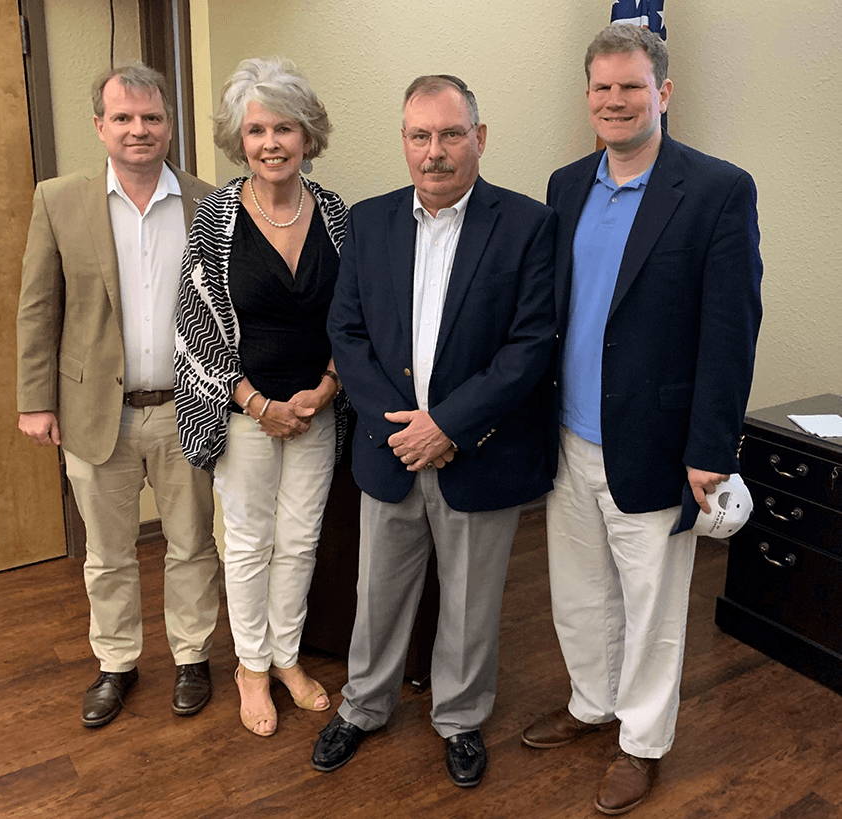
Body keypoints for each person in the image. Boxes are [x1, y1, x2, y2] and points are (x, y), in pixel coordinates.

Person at [521, 24, 763, 815]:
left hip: (658, 443)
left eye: (631, 87)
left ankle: (641, 739)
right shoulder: (565, 185)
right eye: (602, 88)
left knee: (653, 605)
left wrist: (711, 448)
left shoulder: (719, 190)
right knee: (579, 593)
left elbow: (731, 332)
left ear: (663, 92)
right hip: (568, 436)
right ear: (587, 97)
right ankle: (592, 703)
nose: (615, 101)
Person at [312, 74, 558, 788]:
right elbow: (347, 333)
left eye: (452, 134)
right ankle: (363, 705)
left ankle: (459, 716)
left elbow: (529, 344)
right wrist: (405, 429)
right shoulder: (369, 221)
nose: (436, 152)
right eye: (421, 135)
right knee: (378, 593)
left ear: (479, 138)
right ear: (404, 142)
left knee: (472, 601)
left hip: (479, 451)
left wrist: (448, 424)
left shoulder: (527, 225)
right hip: (391, 450)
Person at [16, 63, 220, 727]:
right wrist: (35, 398)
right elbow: (38, 306)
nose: (139, 130)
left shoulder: (207, 201)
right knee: (107, 553)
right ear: (100, 126)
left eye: (152, 118)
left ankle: (192, 655)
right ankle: (117, 662)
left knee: (192, 542)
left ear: (169, 125)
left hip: (184, 410)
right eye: (124, 118)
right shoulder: (58, 199)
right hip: (94, 411)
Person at [174, 58, 348, 739]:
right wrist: (255, 402)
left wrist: (326, 388)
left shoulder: (335, 214)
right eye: (256, 130)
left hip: (318, 410)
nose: (271, 142)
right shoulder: (215, 217)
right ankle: (250, 665)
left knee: (300, 541)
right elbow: (193, 322)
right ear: (238, 140)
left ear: (307, 135)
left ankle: (285, 657)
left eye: (284, 127)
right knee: (248, 543)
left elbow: (353, 313)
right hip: (246, 414)